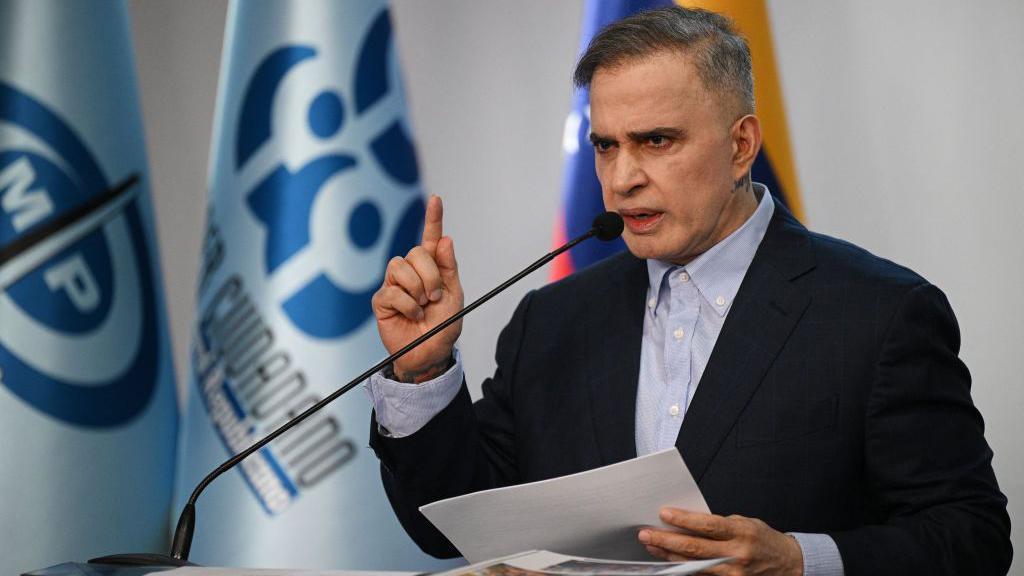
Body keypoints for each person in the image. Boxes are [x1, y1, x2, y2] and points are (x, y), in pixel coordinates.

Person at [364, 7, 1011, 576]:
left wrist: (798, 560)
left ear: (741, 146)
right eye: (605, 146)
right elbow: (451, 526)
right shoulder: (552, 319)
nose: (622, 179)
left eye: (656, 141)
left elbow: (971, 536)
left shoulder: (878, 313)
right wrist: (422, 372)